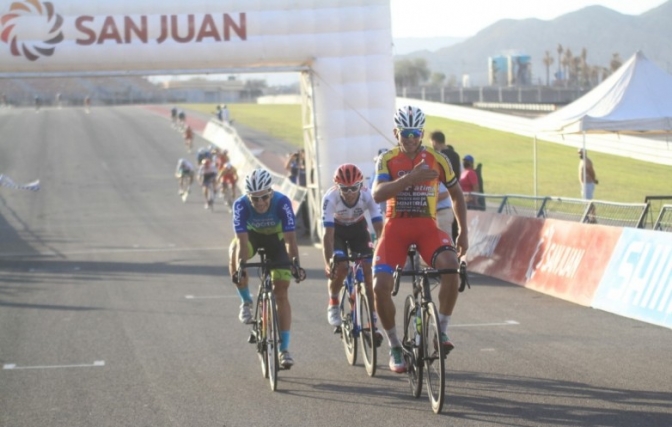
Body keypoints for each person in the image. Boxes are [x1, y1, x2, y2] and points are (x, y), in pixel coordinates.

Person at [372, 105, 468, 374]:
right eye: (405, 133)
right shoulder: (387, 159)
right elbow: (378, 194)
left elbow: (458, 195)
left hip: (427, 227)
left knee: (451, 267)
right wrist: (411, 178)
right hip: (395, 228)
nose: (411, 138)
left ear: (422, 132)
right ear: (396, 132)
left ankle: (442, 330)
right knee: (379, 285)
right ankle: (393, 345)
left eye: (415, 133)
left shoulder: (438, 159)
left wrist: (463, 234)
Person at [228, 168, 306, 368]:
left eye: (264, 197)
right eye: (255, 199)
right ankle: (246, 301)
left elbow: (290, 240)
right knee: (234, 253)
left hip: (277, 241)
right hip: (252, 239)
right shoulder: (240, 206)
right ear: (248, 197)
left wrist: (295, 264)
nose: (260, 202)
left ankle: (284, 350)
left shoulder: (282, 202)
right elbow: (242, 242)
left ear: (270, 192)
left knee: (281, 291)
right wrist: (241, 268)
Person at [321, 164, 384, 340]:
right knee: (340, 267)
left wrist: (381, 255)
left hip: (358, 229)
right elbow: (328, 236)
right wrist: (328, 263)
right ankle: (333, 300)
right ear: (337, 187)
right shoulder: (330, 198)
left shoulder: (368, 195)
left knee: (368, 273)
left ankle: (372, 321)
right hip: (337, 230)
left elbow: (380, 229)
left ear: (360, 185)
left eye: (353, 188)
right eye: (344, 189)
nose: (349, 193)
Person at [430, 131, 461, 240]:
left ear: (434, 141)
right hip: (455, 196)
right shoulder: (456, 156)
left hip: (444, 203)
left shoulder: (439, 158)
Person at [578, 148, 599, 223]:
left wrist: (593, 179)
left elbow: (591, 171)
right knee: (585, 201)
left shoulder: (587, 161)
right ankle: (588, 216)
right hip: (584, 184)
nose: (579, 155)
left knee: (588, 201)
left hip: (588, 183)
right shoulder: (582, 161)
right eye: (579, 153)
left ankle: (592, 217)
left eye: (580, 153)